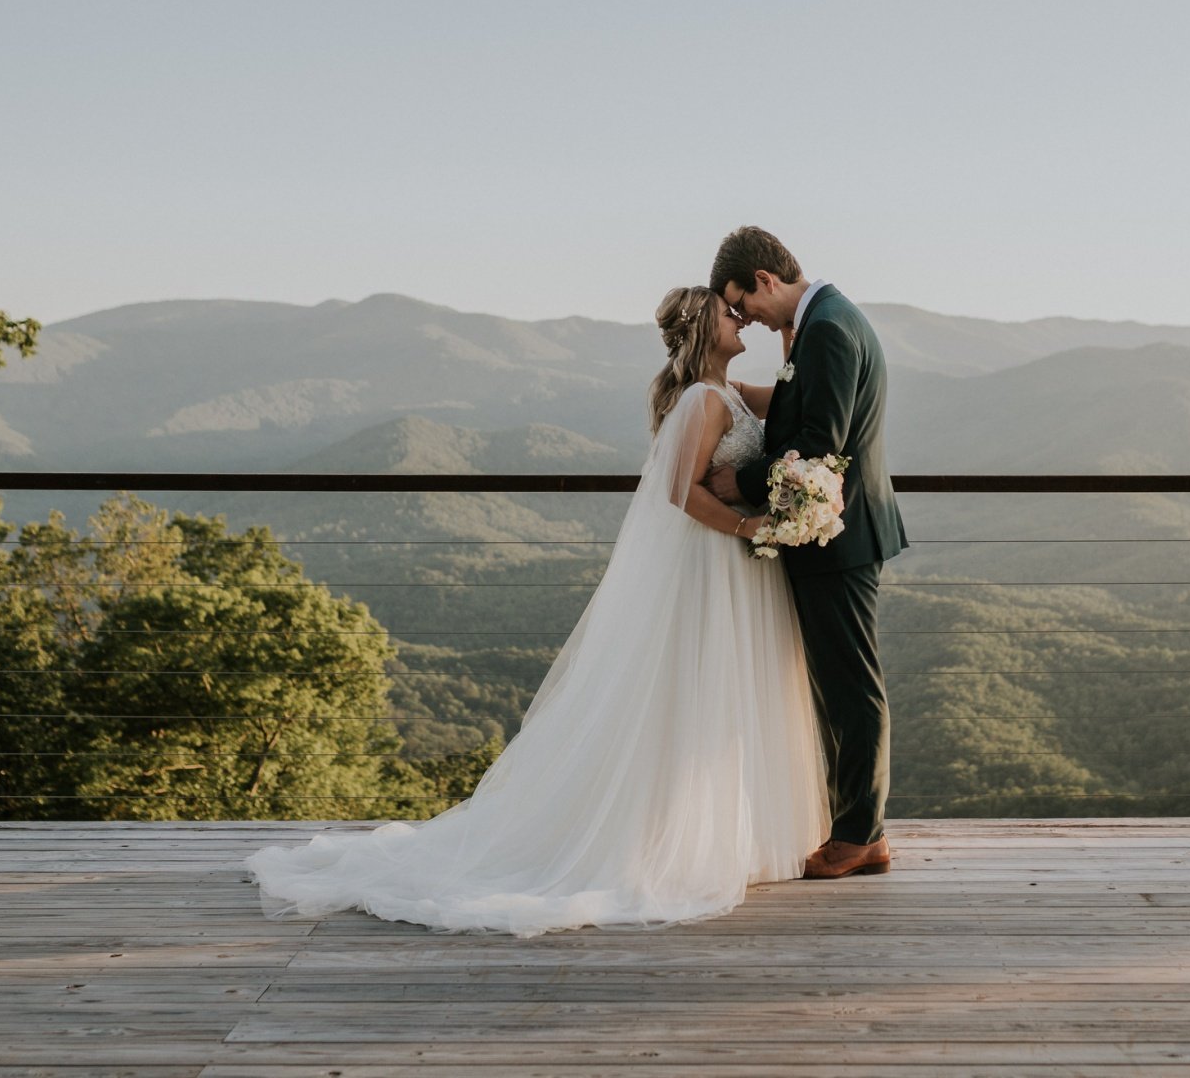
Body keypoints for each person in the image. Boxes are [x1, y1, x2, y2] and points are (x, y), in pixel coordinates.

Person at [243, 285, 827, 936]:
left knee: (723, 696)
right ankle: (672, 840)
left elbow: (796, 399)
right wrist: (751, 530)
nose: (739, 316)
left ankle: (724, 835)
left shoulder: (728, 394)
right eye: (729, 312)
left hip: (736, 575)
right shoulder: (701, 400)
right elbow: (679, 491)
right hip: (713, 565)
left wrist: (791, 341)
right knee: (691, 696)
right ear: (701, 329)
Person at [705, 226, 909, 880]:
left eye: (745, 304)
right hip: (836, 534)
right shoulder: (823, 318)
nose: (749, 321)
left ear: (766, 279)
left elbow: (820, 449)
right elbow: (800, 409)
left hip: (840, 538)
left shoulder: (822, 330)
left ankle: (859, 835)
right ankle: (854, 825)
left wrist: (742, 480)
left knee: (850, 684)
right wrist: (721, 398)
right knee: (837, 680)